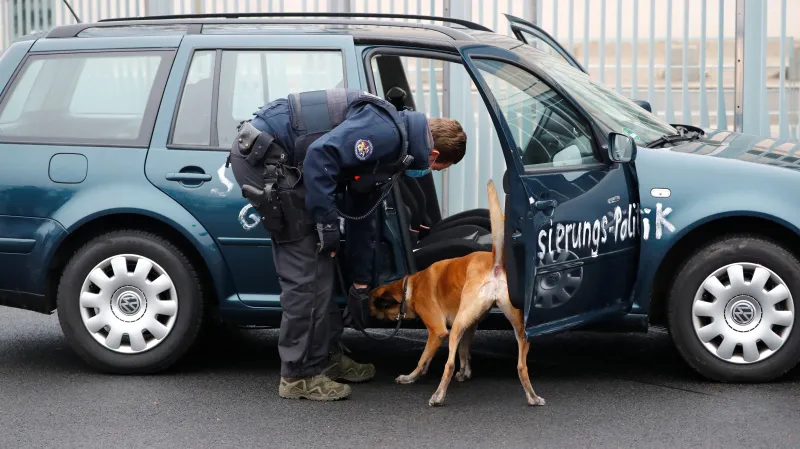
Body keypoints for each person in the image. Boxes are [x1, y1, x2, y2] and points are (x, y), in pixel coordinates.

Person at [227, 88, 467, 402]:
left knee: (325, 264)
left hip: (288, 162)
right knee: (307, 275)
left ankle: (325, 357)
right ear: (434, 155)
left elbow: (361, 211)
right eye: (437, 169)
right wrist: (326, 222)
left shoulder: (396, 144)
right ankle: (299, 375)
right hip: (266, 160)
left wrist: (361, 281)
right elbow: (320, 155)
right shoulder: (385, 133)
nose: (427, 173)